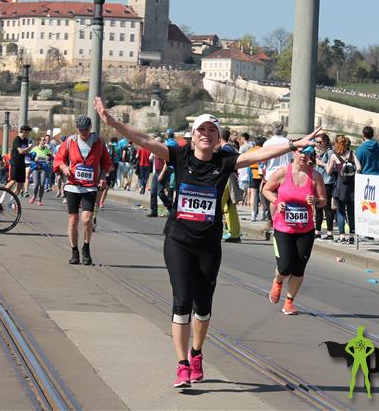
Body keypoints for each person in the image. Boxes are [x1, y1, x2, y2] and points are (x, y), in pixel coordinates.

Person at [94, 97, 319, 388]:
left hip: (208, 245)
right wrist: (113, 122)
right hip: (178, 240)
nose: (206, 134)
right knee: (182, 301)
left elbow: (260, 155)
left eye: (212, 130)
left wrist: (292, 145)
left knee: (202, 306)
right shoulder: (179, 156)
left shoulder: (224, 161)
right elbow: (145, 139)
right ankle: (182, 364)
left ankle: (196, 353)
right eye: (202, 129)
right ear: (193, 135)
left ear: (217, 138)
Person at [263, 145, 326, 315]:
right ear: (294, 152)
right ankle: (278, 281)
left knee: (299, 268)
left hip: (305, 230)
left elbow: (323, 200)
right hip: (283, 228)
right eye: (301, 152)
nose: (304, 156)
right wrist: (277, 202)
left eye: (307, 153)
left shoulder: (315, 176)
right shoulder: (283, 172)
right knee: (285, 267)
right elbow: (266, 189)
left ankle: (289, 303)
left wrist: (315, 201)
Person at [53, 116, 112, 266]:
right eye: (80, 130)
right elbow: (58, 159)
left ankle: (86, 247)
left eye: (85, 129)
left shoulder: (99, 142)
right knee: (73, 220)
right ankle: (74, 251)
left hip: (90, 186)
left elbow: (106, 162)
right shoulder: (70, 141)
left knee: (87, 219)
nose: (83, 132)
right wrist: (64, 168)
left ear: (90, 128)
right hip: (72, 185)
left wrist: (102, 177)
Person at [328, 135, 360, 244]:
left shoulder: (334, 156)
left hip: (340, 186)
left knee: (340, 211)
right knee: (351, 212)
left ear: (336, 144)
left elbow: (328, 171)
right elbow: (359, 168)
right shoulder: (352, 154)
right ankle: (351, 236)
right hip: (351, 187)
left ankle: (342, 236)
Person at [219, 127, 241, 243]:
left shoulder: (225, 150)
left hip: (226, 179)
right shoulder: (232, 148)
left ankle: (215, 231)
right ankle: (234, 233)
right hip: (231, 178)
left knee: (218, 206)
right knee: (230, 207)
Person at [313, 133, 336, 240]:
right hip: (317, 181)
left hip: (327, 182)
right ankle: (317, 231)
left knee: (327, 208)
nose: (318, 144)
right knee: (318, 208)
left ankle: (330, 233)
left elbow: (332, 167)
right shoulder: (317, 152)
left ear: (325, 142)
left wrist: (320, 163)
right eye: (316, 142)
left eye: (320, 142)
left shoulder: (329, 152)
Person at [148, 136, 173, 217]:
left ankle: (170, 207)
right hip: (156, 172)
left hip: (162, 172)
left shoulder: (163, 150)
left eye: (155, 142)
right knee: (153, 192)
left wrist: (162, 174)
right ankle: (154, 211)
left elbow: (166, 164)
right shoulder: (155, 150)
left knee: (160, 193)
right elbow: (150, 159)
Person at [6, 126, 33, 200]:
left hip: (22, 162)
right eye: (28, 133)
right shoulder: (17, 139)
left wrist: (30, 153)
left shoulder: (25, 140)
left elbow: (25, 152)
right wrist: (29, 147)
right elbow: (20, 151)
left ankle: (12, 200)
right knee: (13, 180)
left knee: (20, 184)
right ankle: (2, 196)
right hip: (15, 162)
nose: (29, 134)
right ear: (24, 132)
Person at [30, 136, 52, 206]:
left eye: (45, 140)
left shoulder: (47, 149)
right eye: (43, 140)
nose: (44, 141)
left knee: (42, 185)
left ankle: (39, 200)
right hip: (36, 168)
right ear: (39, 141)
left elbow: (50, 157)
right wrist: (34, 158)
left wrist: (48, 157)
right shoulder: (35, 148)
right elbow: (30, 157)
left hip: (43, 168)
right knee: (36, 184)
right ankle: (34, 196)